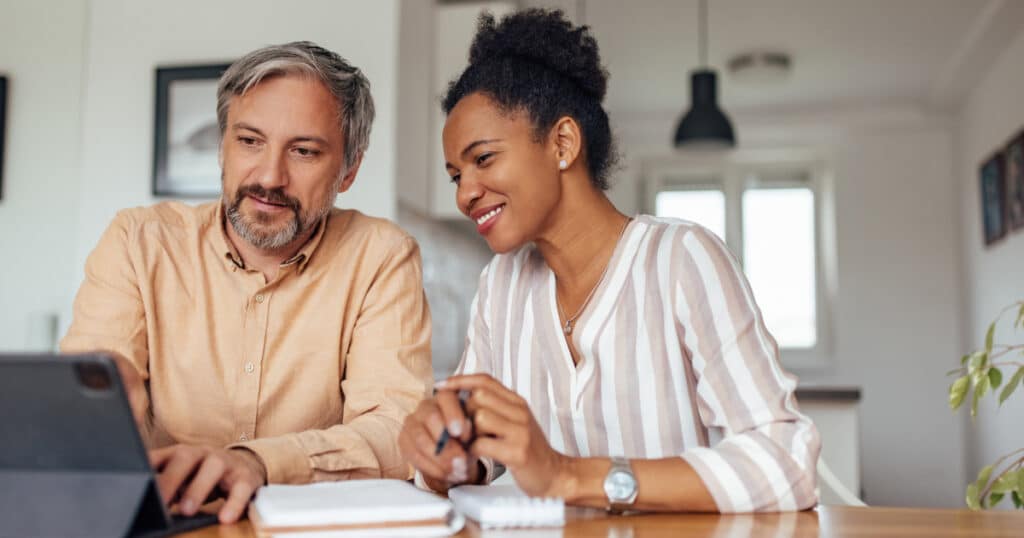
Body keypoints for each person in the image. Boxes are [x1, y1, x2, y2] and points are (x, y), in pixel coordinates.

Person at [397, 10, 820, 513]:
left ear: (563, 143)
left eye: (483, 159)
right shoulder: (501, 287)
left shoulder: (682, 261)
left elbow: (785, 463)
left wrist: (569, 475)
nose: (465, 194)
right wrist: (447, 456)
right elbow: (481, 452)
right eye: (454, 175)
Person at [61, 42, 432, 524]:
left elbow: (397, 431)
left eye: (303, 151)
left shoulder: (382, 256)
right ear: (222, 146)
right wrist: (102, 410)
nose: (270, 177)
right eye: (250, 141)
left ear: (350, 169)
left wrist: (258, 463)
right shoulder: (138, 241)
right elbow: (92, 394)